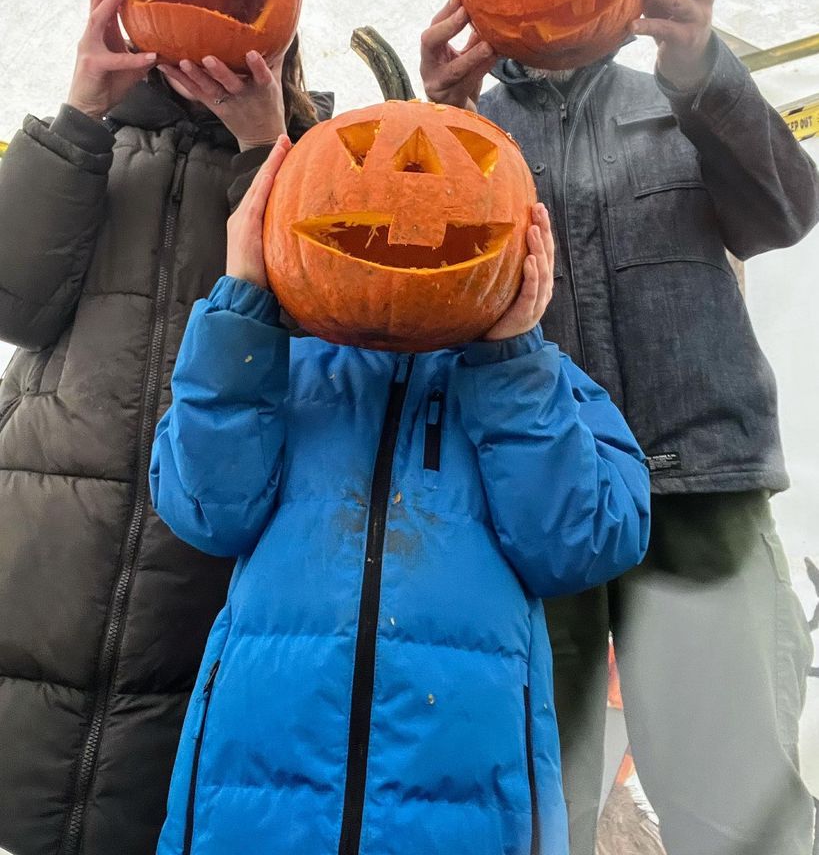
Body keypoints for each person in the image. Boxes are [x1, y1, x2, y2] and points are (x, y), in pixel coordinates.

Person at [420, 0, 819, 855]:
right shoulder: (475, 134)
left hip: (700, 489)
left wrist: (701, 63)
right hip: (530, 503)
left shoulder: (682, 99)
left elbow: (785, 212)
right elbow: (418, 308)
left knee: (738, 814)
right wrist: (445, 115)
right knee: (526, 801)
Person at [148, 136, 650, 855]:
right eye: (359, 171)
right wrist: (242, 311)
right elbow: (204, 509)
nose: (410, 190)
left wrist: (510, 363)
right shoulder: (273, 369)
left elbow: (583, 542)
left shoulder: (541, 383)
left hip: (465, 793)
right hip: (256, 788)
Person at [0, 0, 332, 855]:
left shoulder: (316, 169)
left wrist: (265, 150)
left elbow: (320, 331)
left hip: (196, 558)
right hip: (41, 551)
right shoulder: (87, 146)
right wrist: (80, 112)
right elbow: (12, 302)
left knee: (158, 804)